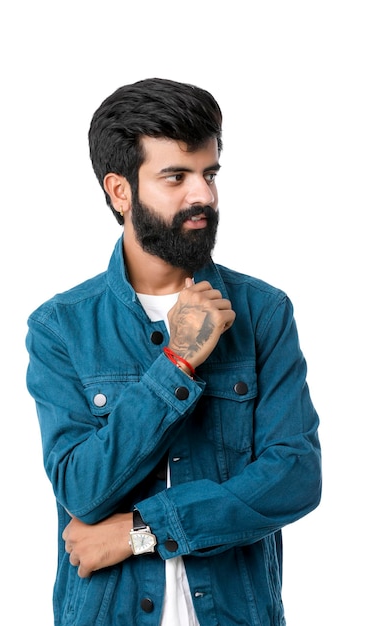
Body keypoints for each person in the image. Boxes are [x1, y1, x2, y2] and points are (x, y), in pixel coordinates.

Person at [26, 77, 321, 626]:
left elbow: (296, 475)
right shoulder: (61, 327)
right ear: (120, 191)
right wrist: (178, 362)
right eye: (176, 176)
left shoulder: (263, 312)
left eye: (209, 174)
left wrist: (143, 530)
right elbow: (81, 490)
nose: (203, 195)